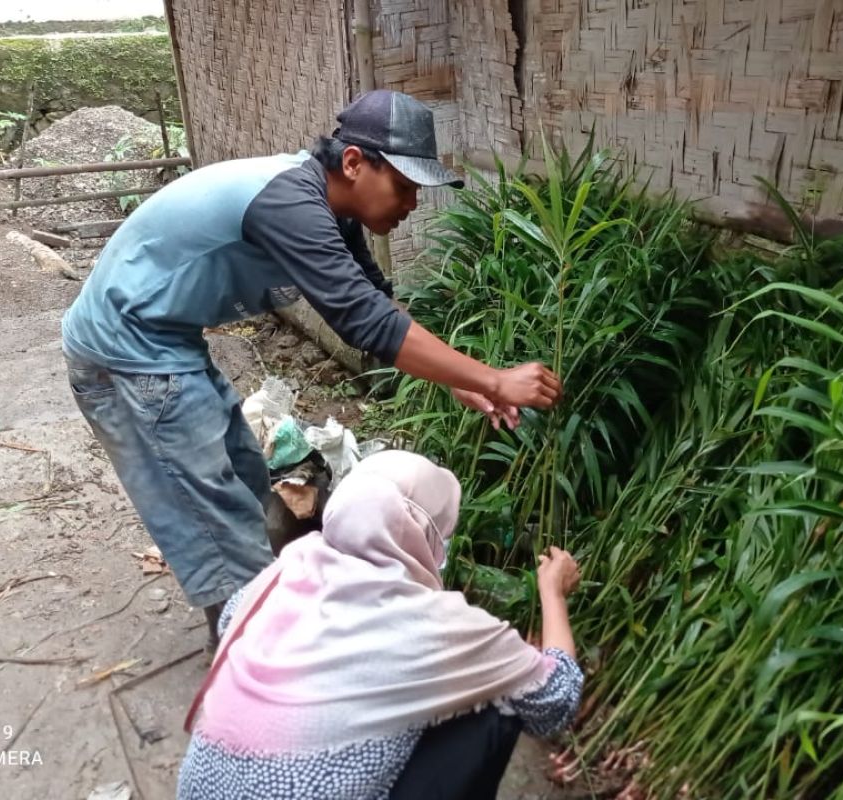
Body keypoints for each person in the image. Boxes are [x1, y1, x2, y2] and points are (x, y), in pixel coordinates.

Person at [60, 90, 562, 647]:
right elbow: (363, 323)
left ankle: (264, 621)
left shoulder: (333, 211)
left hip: (166, 336)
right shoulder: (291, 203)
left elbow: (377, 301)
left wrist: (466, 381)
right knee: (210, 505)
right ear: (353, 163)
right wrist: (494, 379)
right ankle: (252, 664)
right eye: (404, 186)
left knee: (246, 474)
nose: (412, 204)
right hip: (124, 349)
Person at [177, 450, 583, 800]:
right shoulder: (434, 624)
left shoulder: (282, 572)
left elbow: (231, 620)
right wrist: (552, 593)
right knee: (499, 707)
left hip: (197, 790)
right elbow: (556, 699)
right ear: (421, 533)